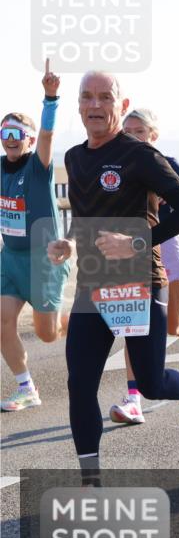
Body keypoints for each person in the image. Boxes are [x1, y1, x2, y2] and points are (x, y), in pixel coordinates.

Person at [47, 71, 179, 486]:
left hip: (141, 282)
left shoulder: (141, 156)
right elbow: (86, 214)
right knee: (80, 384)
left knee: (151, 382)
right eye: (87, 97)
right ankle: (91, 482)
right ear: (79, 105)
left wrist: (136, 242)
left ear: (120, 107)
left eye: (104, 97)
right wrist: (70, 243)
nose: (94, 105)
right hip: (93, 285)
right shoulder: (73, 157)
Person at [108, 108, 179, 424]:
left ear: (153, 136)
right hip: (139, 260)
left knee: (173, 325)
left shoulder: (165, 164)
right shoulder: (121, 168)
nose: (131, 136)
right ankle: (133, 400)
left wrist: (172, 196)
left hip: (170, 258)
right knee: (134, 327)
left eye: (138, 131)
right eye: (126, 131)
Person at [1, 60, 71, 411]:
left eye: (16, 134)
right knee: (1, 321)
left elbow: (47, 135)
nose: (10, 140)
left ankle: (95, 323)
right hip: (11, 259)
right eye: (4, 134)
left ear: (27, 140)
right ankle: (26, 387)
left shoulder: (38, 167)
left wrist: (50, 98)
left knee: (48, 333)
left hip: (44, 260)